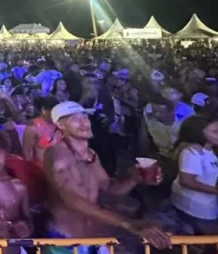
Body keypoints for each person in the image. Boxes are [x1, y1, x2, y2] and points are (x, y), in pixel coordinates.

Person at [43, 101, 170, 253]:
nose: (84, 123)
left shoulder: (91, 155)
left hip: (92, 238)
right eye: (75, 119)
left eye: (85, 117)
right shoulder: (58, 153)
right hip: (65, 240)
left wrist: (134, 178)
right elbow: (71, 199)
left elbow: (109, 190)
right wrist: (127, 223)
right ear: (61, 125)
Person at [169, 115, 218, 234]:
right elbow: (186, 181)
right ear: (199, 134)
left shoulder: (209, 150)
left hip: (203, 205)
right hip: (197, 207)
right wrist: (215, 190)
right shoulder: (192, 152)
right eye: (215, 132)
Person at [22, 97, 62, 164]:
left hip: (62, 165)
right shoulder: (32, 128)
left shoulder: (59, 124)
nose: (57, 114)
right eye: (54, 112)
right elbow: (27, 153)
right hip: (43, 167)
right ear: (44, 110)